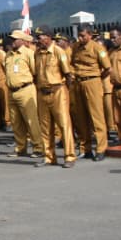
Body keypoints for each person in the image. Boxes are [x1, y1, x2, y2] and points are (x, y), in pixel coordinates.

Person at [34, 26, 76, 168]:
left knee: (64, 125)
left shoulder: (59, 52)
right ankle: (49, 157)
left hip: (58, 91)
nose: (38, 39)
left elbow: (68, 75)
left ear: (48, 37)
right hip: (42, 93)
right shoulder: (37, 53)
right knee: (45, 127)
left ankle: (69, 156)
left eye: (40, 37)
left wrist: (65, 91)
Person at [70, 24, 110, 161]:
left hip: (92, 81)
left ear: (90, 35)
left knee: (96, 116)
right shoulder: (75, 47)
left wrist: (97, 78)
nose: (80, 38)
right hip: (78, 82)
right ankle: (85, 148)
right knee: (81, 117)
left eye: (83, 36)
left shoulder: (97, 48)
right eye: (79, 36)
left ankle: (100, 148)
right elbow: (71, 63)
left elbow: (107, 68)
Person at [3, 30, 40, 158]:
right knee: (16, 122)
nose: (12, 42)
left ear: (21, 40)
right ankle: (20, 147)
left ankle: (38, 147)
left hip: (26, 90)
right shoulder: (8, 55)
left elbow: (35, 72)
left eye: (14, 39)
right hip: (12, 91)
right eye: (11, 39)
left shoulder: (29, 53)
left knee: (31, 120)